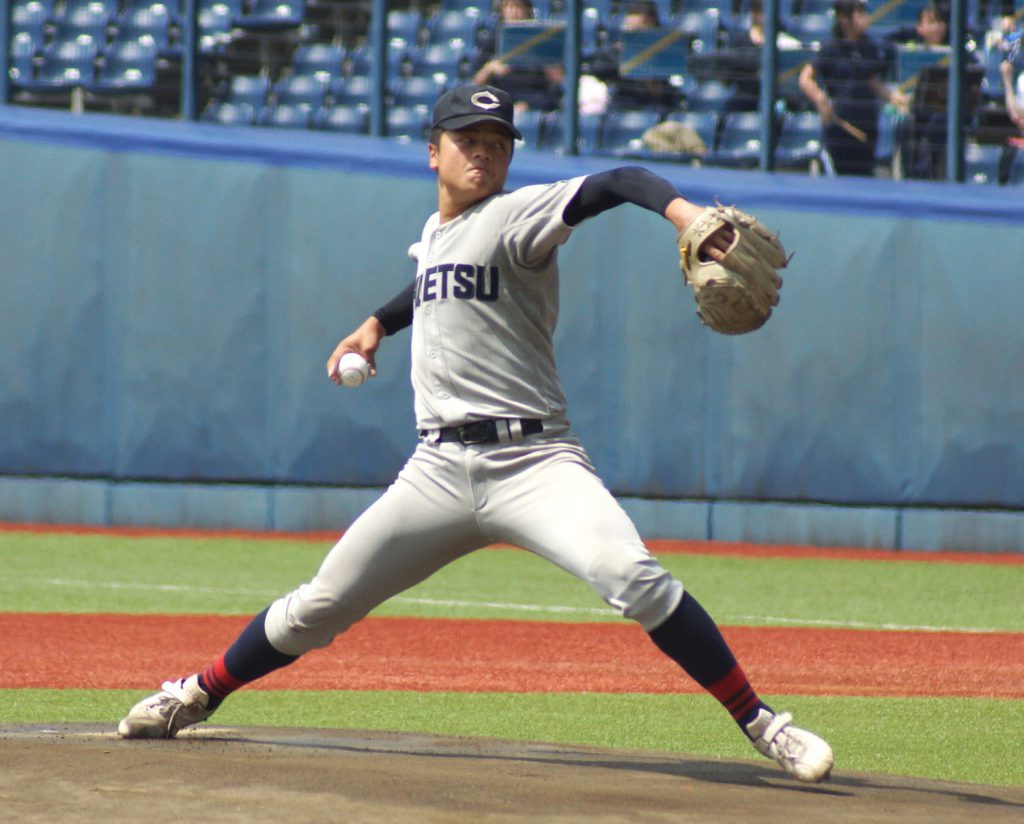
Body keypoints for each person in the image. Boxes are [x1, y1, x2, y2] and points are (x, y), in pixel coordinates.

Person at [116, 83, 835, 786]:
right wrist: (376, 324)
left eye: (497, 142)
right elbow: (435, 280)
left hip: (535, 461)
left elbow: (617, 181)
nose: (483, 152)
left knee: (631, 576)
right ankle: (195, 694)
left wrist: (683, 214)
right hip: (435, 471)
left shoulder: (518, 216)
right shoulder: (437, 234)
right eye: (467, 140)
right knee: (319, 605)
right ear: (434, 152)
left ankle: (763, 724)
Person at [798, 0, 909, 176]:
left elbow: (873, 82)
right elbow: (805, 78)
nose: (865, 18)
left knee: (864, 177)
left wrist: (894, 97)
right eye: (860, 14)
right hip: (840, 127)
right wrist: (820, 99)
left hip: (867, 125)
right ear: (844, 18)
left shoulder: (870, 47)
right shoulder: (831, 48)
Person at [585, 0, 681, 113]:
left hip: (661, 110)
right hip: (625, 109)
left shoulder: (667, 52)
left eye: (639, 32)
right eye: (629, 32)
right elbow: (597, 69)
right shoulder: (614, 55)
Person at [472, 0, 564, 111]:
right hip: (503, 95)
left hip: (536, 95)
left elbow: (560, 79)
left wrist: (547, 66)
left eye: (518, 7)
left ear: (528, 10)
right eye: (509, 7)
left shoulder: (542, 38)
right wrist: (490, 67)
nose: (514, 12)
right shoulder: (493, 39)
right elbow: (476, 80)